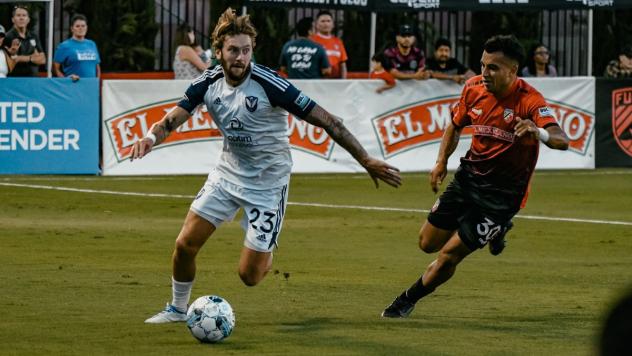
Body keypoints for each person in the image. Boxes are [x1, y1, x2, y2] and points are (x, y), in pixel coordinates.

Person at [132, 8, 402, 324]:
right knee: (184, 244)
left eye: (246, 50)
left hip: (267, 184)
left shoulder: (270, 84)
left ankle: (266, 250)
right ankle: (178, 309)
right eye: (233, 50)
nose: (240, 57)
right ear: (219, 52)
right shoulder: (209, 82)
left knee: (249, 277)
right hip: (227, 174)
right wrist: (150, 138)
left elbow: (329, 121)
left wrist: (365, 159)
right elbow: (172, 119)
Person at [381, 35, 569, 318]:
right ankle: (493, 230)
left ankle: (406, 300)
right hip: (468, 179)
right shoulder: (472, 89)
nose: (484, 73)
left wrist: (537, 131)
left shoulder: (529, 100)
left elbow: (561, 139)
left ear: (513, 71)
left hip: (502, 198)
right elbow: (455, 126)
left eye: (493, 67)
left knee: (449, 256)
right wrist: (440, 162)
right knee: (427, 244)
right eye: (482, 65)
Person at [53, 14, 100, 81]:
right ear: (72, 29)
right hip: (74, 86)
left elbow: (97, 66)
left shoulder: (92, 44)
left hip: (91, 86)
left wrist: (97, 82)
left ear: (87, 27)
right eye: (77, 26)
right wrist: (66, 80)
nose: (81, 28)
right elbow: (55, 69)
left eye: (83, 26)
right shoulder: (64, 46)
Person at [4, 5, 46, 77]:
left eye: (24, 15)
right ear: (13, 19)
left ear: (28, 19)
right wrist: (32, 58)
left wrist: (21, 58)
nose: (21, 18)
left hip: (33, 79)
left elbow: (43, 60)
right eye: (18, 15)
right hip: (14, 80)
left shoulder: (34, 36)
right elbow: (10, 60)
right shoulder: (7, 37)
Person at [309, 11, 348, 79]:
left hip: (335, 81)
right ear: (316, 24)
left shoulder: (338, 41)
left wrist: (343, 81)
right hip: (317, 80)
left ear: (333, 24)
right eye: (323, 21)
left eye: (328, 21)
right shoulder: (311, 40)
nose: (326, 24)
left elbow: (343, 64)